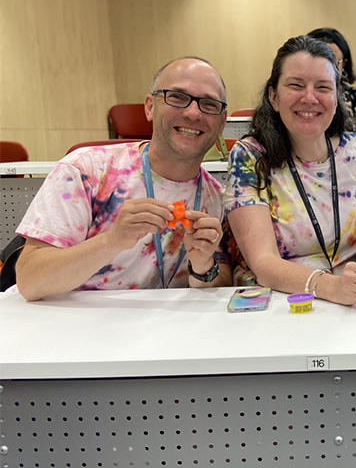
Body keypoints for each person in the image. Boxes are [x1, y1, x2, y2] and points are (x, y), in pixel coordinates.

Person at [15, 57, 231, 301]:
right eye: (177, 97)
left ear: (222, 122)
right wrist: (112, 241)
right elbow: (30, 281)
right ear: (150, 107)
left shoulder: (219, 198)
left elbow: (220, 283)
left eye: (209, 104)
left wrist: (203, 266)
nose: (193, 113)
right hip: (75, 328)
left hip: (165, 330)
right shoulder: (85, 170)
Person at [223, 35, 356, 306]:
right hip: (281, 305)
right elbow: (263, 263)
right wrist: (332, 287)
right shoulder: (251, 157)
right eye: (296, 85)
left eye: (323, 87)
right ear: (273, 96)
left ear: (336, 97)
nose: (310, 97)